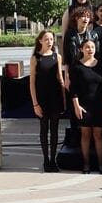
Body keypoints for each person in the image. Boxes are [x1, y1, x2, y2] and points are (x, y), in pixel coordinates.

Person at [70, 39, 102, 173]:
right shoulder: (76, 66)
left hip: (99, 104)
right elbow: (73, 89)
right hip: (83, 105)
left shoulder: (101, 65)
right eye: (87, 47)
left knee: (99, 135)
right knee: (85, 135)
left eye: (92, 47)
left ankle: (101, 164)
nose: (90, 49)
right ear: (81, 49)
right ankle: (86, 164)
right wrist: (76, 106)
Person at [29, 30, 65, 172]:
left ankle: (53, 160)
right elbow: (31, 82)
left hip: (55, 97)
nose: (50, 42)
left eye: (51, 39)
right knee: (44, 129)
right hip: (42, 98)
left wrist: (64, 100)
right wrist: (35, 104)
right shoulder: (35, 58)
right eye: (46, 39)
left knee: (55, 130)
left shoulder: (57, 56)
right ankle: (45, 160)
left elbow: (60, 79)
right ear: (40, 41)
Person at [62, 7, 99, 91]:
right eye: (83, 16)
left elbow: (97, 56)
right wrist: (66, 76)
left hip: (89, 70)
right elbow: (66, 56)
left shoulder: (94, 35)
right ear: (76, 18)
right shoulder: (69, 34)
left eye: (88, 16)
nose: (85, 19)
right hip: (74, 69)